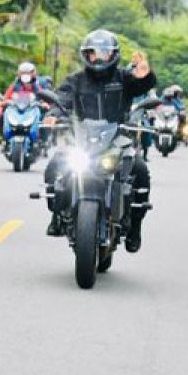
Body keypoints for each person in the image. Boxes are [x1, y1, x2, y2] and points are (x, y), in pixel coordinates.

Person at [42, 30, 155, 250]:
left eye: (104, 52)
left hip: (116, 140)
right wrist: (53, 115)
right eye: (93, 53)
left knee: (140, 170)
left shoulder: (123, 79)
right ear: (86, 55)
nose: (99, 58)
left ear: (113, 55)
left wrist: (145, 76)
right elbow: (62, 99)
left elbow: (143, 85)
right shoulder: (75, 80)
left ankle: (135, 228)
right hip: (83, 141)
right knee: (54, 166)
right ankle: (57, 216)